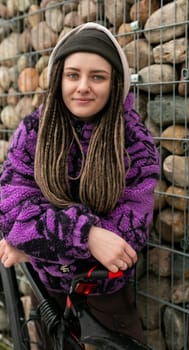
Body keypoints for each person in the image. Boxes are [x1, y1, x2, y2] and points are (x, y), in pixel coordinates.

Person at [0, 22, 160, 348]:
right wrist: (87, 236)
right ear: (59, 77)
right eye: (73, 75)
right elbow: (11, 209)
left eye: (97, 77)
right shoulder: (35, 131)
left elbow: (125, 243)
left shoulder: (135, 143)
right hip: (47, 291)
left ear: (115, 82)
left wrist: (35, 247)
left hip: (103, 298)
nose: (83, 86)